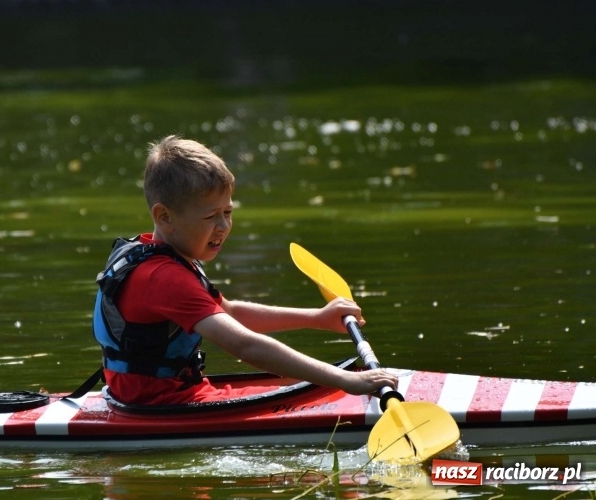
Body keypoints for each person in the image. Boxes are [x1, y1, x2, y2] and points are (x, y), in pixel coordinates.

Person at [93, 135, 398, 405]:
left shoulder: (167, 258)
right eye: (211, 216)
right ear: (164, 216)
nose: (224, 226)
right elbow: (244, 344)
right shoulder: (164, 278)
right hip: (164, 405)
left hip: (147, 397)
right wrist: (348, 382)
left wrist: (316, 318)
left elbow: (231, 313)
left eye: (228, 212)